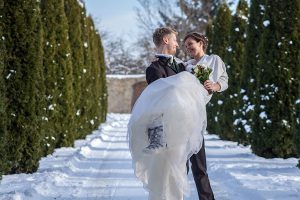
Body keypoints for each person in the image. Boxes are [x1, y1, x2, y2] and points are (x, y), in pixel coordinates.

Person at [183, 32, 228, 200]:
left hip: (196, 117)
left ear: (201, 43)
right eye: (186, 46)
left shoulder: (213, 60)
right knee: (181, 164)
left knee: (199, 165)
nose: (188, 48)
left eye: (190, 44)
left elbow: (224, 80)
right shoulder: (185, 65)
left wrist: (215, 86)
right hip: (180, 116)